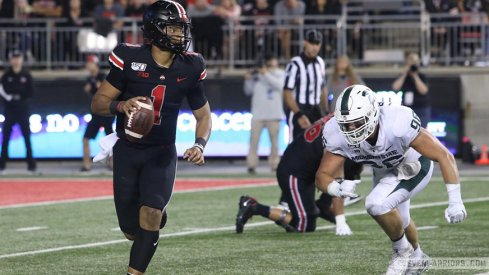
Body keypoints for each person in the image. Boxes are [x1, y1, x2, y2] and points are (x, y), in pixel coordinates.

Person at [91, 1, 212, 275]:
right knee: (131, 230)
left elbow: (204, 116)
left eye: (182, 28)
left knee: (150, 214)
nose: (180, 35)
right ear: (156, 29)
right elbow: (98, 103)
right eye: (173, 28)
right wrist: (121, 106)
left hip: (161, 152)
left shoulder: (190, 66)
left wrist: (199, 144)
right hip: (128, 150)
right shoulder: (128, 57)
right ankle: (153, 217)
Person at [315, 85, 467, 274]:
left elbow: (444, 155)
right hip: (384, 170)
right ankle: (418, 257)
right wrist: (335, 188)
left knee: (376, 204)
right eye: (346, 125)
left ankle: (401, 251)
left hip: (413, 165)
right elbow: (321, 176)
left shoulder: (396, 122)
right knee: (400, 220)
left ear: (372, 114)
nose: (351, 130)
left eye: (357, 122)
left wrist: (455, 200)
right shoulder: (336, 133)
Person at [236, 115, 359, 235]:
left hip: (308, 168)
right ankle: (253, 206)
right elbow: (337, 179)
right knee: (304, 225)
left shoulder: (339, 119)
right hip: (294, 172)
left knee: (354, 163)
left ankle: (323, 206)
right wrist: (340, 221)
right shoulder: (338, 135)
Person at [283, 29, 329, 143]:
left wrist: (326, 111)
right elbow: (287, 92)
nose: (314, 47)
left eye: (317, 44)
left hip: (314, 108)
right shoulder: (295, 64)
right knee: (295, 145)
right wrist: (298, 114)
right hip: (298, 108)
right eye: (311, 43)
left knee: (318, 145)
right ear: (305, 43)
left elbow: (323, 88)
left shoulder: (320, 62)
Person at [243, 54, 284, 174]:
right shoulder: (256, 75)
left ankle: (275, 164)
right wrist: (248, 80)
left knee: (275, 143)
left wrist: (265, 73)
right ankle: (251, 164)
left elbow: (279, 85)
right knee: (253, 142)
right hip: (258, 114)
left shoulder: (280, 73)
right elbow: (248, 91)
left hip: (274, 113)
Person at [0, 49, 36, 172]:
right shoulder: (6, 75)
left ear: (21, 59)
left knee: (27, 136)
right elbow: (4, 91)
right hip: (10, 109)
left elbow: (30, 92)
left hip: (22, 108)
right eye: (14, 58)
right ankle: (2, 163)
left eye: (18, 58)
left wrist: (18, 94)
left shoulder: (26, 75)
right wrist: (14, 96)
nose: (16, 60)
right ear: (10, 60)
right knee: (5, 137)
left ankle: (31, 164)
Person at [81, 55, 114, 172]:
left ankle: (112, 162)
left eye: (90, 63)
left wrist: (97, 87)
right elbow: (89, 91)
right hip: (96, 114)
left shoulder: (103, 76)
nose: (88, 65)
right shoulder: (90, 78)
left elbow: (106, 91)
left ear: (95, 64)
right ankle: (86, 164)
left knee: (110, 139)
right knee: (85, 138)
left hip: (107, 113)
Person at [392, 52, 431, 128]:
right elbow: (395, 87)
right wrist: (404, 73)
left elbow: (424, 91)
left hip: (421, 109)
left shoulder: (421, 76)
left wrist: (415, 76)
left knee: (421, 131)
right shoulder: (404, 76)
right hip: (407, 109)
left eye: (414, 62)